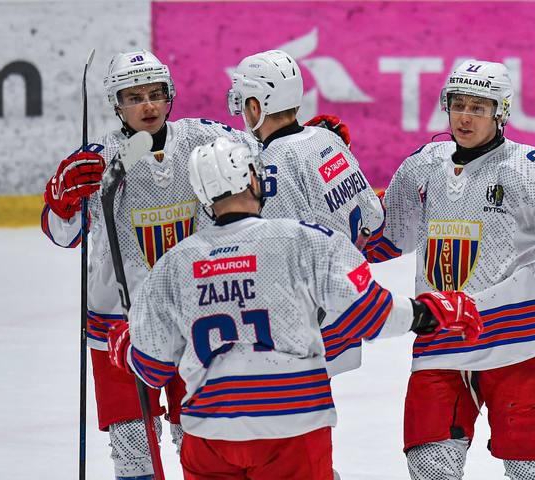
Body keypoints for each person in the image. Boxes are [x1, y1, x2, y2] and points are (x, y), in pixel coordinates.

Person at [105, 137, 483, 480]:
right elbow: (370, 316)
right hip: (292, 425)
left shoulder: (173, 264)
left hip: (209, 434)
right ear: (253, 179)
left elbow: (152, 369)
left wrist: (125, 347)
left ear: (203, 196)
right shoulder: (306, 240)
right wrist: (429, 312)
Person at [367, 60, 535, 479]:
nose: (464, 116)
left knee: (531, 472)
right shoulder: (423, 165)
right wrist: (340, 204)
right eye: (458, 104)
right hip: (442, 335)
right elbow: (385, 235)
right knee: (429, 468)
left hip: (520, 342)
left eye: (478, 108)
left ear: (501, 113)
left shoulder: (527, 166)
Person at [40, 50, 255, 479]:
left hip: (194, 316)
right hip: (118, 324)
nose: (148, 106)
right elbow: (65, 235)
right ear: (116, 104)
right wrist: (62, 197)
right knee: (133, 448)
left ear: (170, 94)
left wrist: (302, 138)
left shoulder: (202, 140)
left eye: (156, 94)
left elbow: (262, 156)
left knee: (200, 437)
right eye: (134, 97)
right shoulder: (98, 159)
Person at [227, 49, 385, 374]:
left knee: (298, 404)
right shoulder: (327, 138)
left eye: (244, 103)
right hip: (345, 306)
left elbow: (280, 257)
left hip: (309, 324)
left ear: (255, 106)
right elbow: (374, 216)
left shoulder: (271, 167)